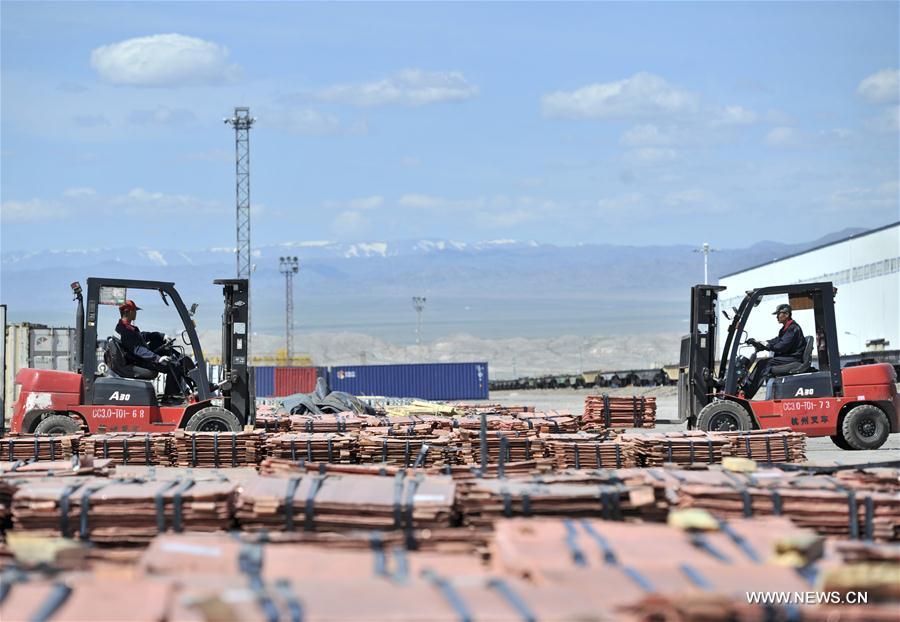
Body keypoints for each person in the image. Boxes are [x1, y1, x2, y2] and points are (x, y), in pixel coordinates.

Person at [115, 300, 189, 397]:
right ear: (129, 312)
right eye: (135, 311)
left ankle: (184, 362)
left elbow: (142, 336)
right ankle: (170, 396)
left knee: (158, 342)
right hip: (139, 361)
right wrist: (158, 359)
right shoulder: (126, 331)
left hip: (139, 357)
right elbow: (138, 350)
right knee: (174, 366)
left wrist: (161, 336)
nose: (136, 313)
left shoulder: (126, 327)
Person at [741, 303, 806, 399]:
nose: (777, 317)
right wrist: (759, 343)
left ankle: (746, 394)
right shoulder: (785, 329)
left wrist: (767, 345)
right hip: (788, 357)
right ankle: (746, 390)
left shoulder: (793, 329)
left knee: (764, 364)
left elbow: (781, 346)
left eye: (778, 314)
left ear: (786, 314)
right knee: (763, 363)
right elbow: (775, 341)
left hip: (793, 358)